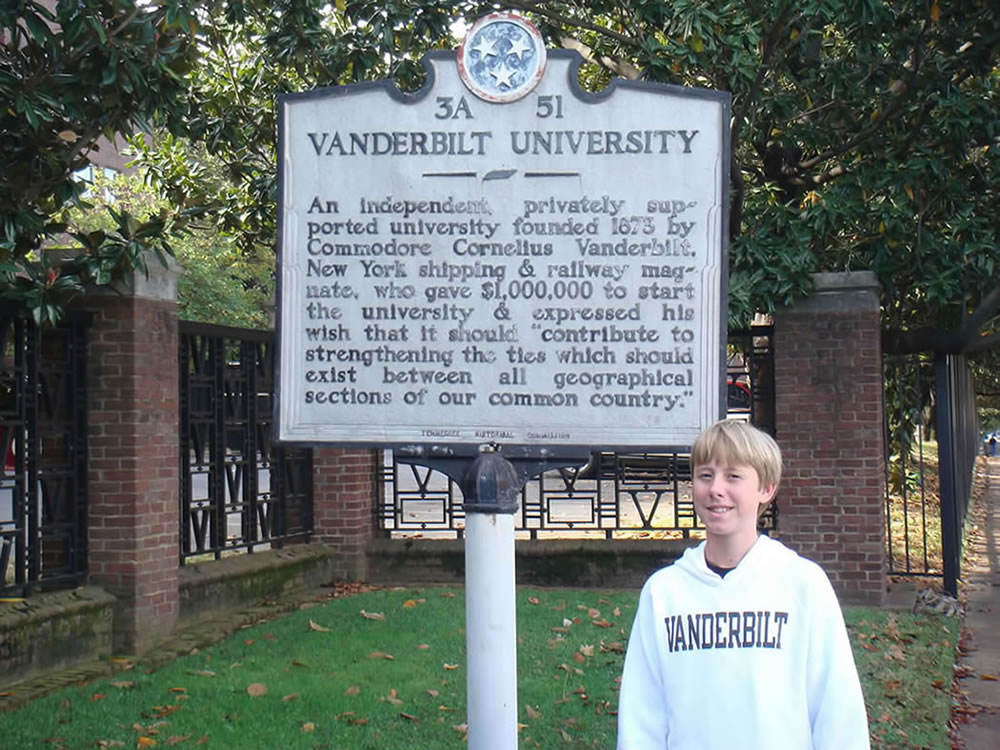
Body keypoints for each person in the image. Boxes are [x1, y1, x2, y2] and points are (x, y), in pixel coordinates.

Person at [616, 419, 870, 750]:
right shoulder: (664, 592)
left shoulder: (802, 584)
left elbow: (837, 710)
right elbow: (642, 714)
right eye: (705, 475)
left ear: (767, 487)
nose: (716, 489)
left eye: (733, 476)